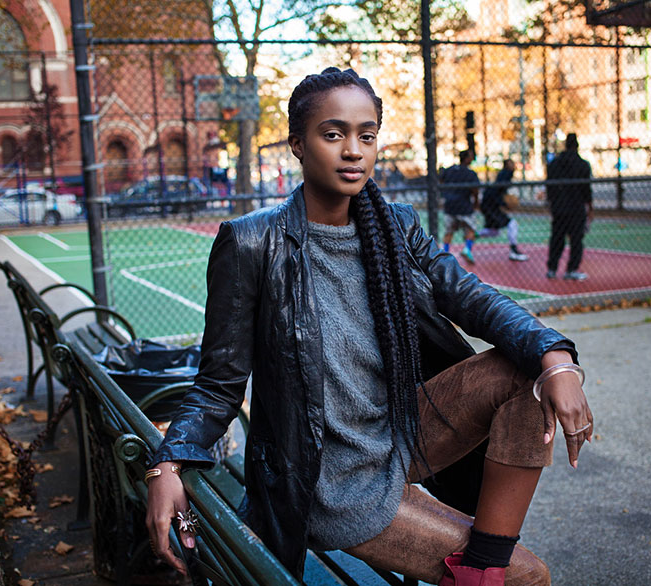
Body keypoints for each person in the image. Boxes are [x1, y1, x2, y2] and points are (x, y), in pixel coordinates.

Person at [145, 68, 593, 586]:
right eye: (333, 134)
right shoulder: (251, 244)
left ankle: (479, 569)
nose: (353, 150)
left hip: (398, 434)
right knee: (531, 576)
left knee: (526, 369)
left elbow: (473, 298)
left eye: (367, 135)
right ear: (298, 143)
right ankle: (486, 572)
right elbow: (218, 385)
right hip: (327, 479)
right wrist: (168, 463)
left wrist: (556, 357)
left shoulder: (395, 227)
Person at [545, 133, 592, 281]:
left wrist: (551, 202)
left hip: (559, 207)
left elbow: (549, 186)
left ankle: (552, 268)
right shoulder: (582, 165)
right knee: (576, 239)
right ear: (577, 145)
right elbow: (586, 188)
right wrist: (590, 205)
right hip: (576, 207)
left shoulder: (554, 164)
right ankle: (571, 269)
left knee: (557, 238)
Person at [480, 159, 528, 262]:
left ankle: (473, 234)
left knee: (494, 231)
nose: (514, 165)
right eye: (511, 163)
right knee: (512, 224)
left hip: (489, 205)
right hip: (490, 205)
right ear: (506, 165)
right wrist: (504, 204)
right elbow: (496, 192)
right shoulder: (506, 174)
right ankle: (514, 251)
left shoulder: (506, 174)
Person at [440, 149, 480, 263]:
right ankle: (467, 249)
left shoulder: (450, 170)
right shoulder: (470, 173)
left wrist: (446, 194)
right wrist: (476, 203)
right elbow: (475, 190)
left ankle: (445, 253)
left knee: (449, 231)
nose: (472, 158)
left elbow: (441, 181)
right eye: (471, 156)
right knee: (471, 229)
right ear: (466, 158)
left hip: (450, 206)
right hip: (464, 206)